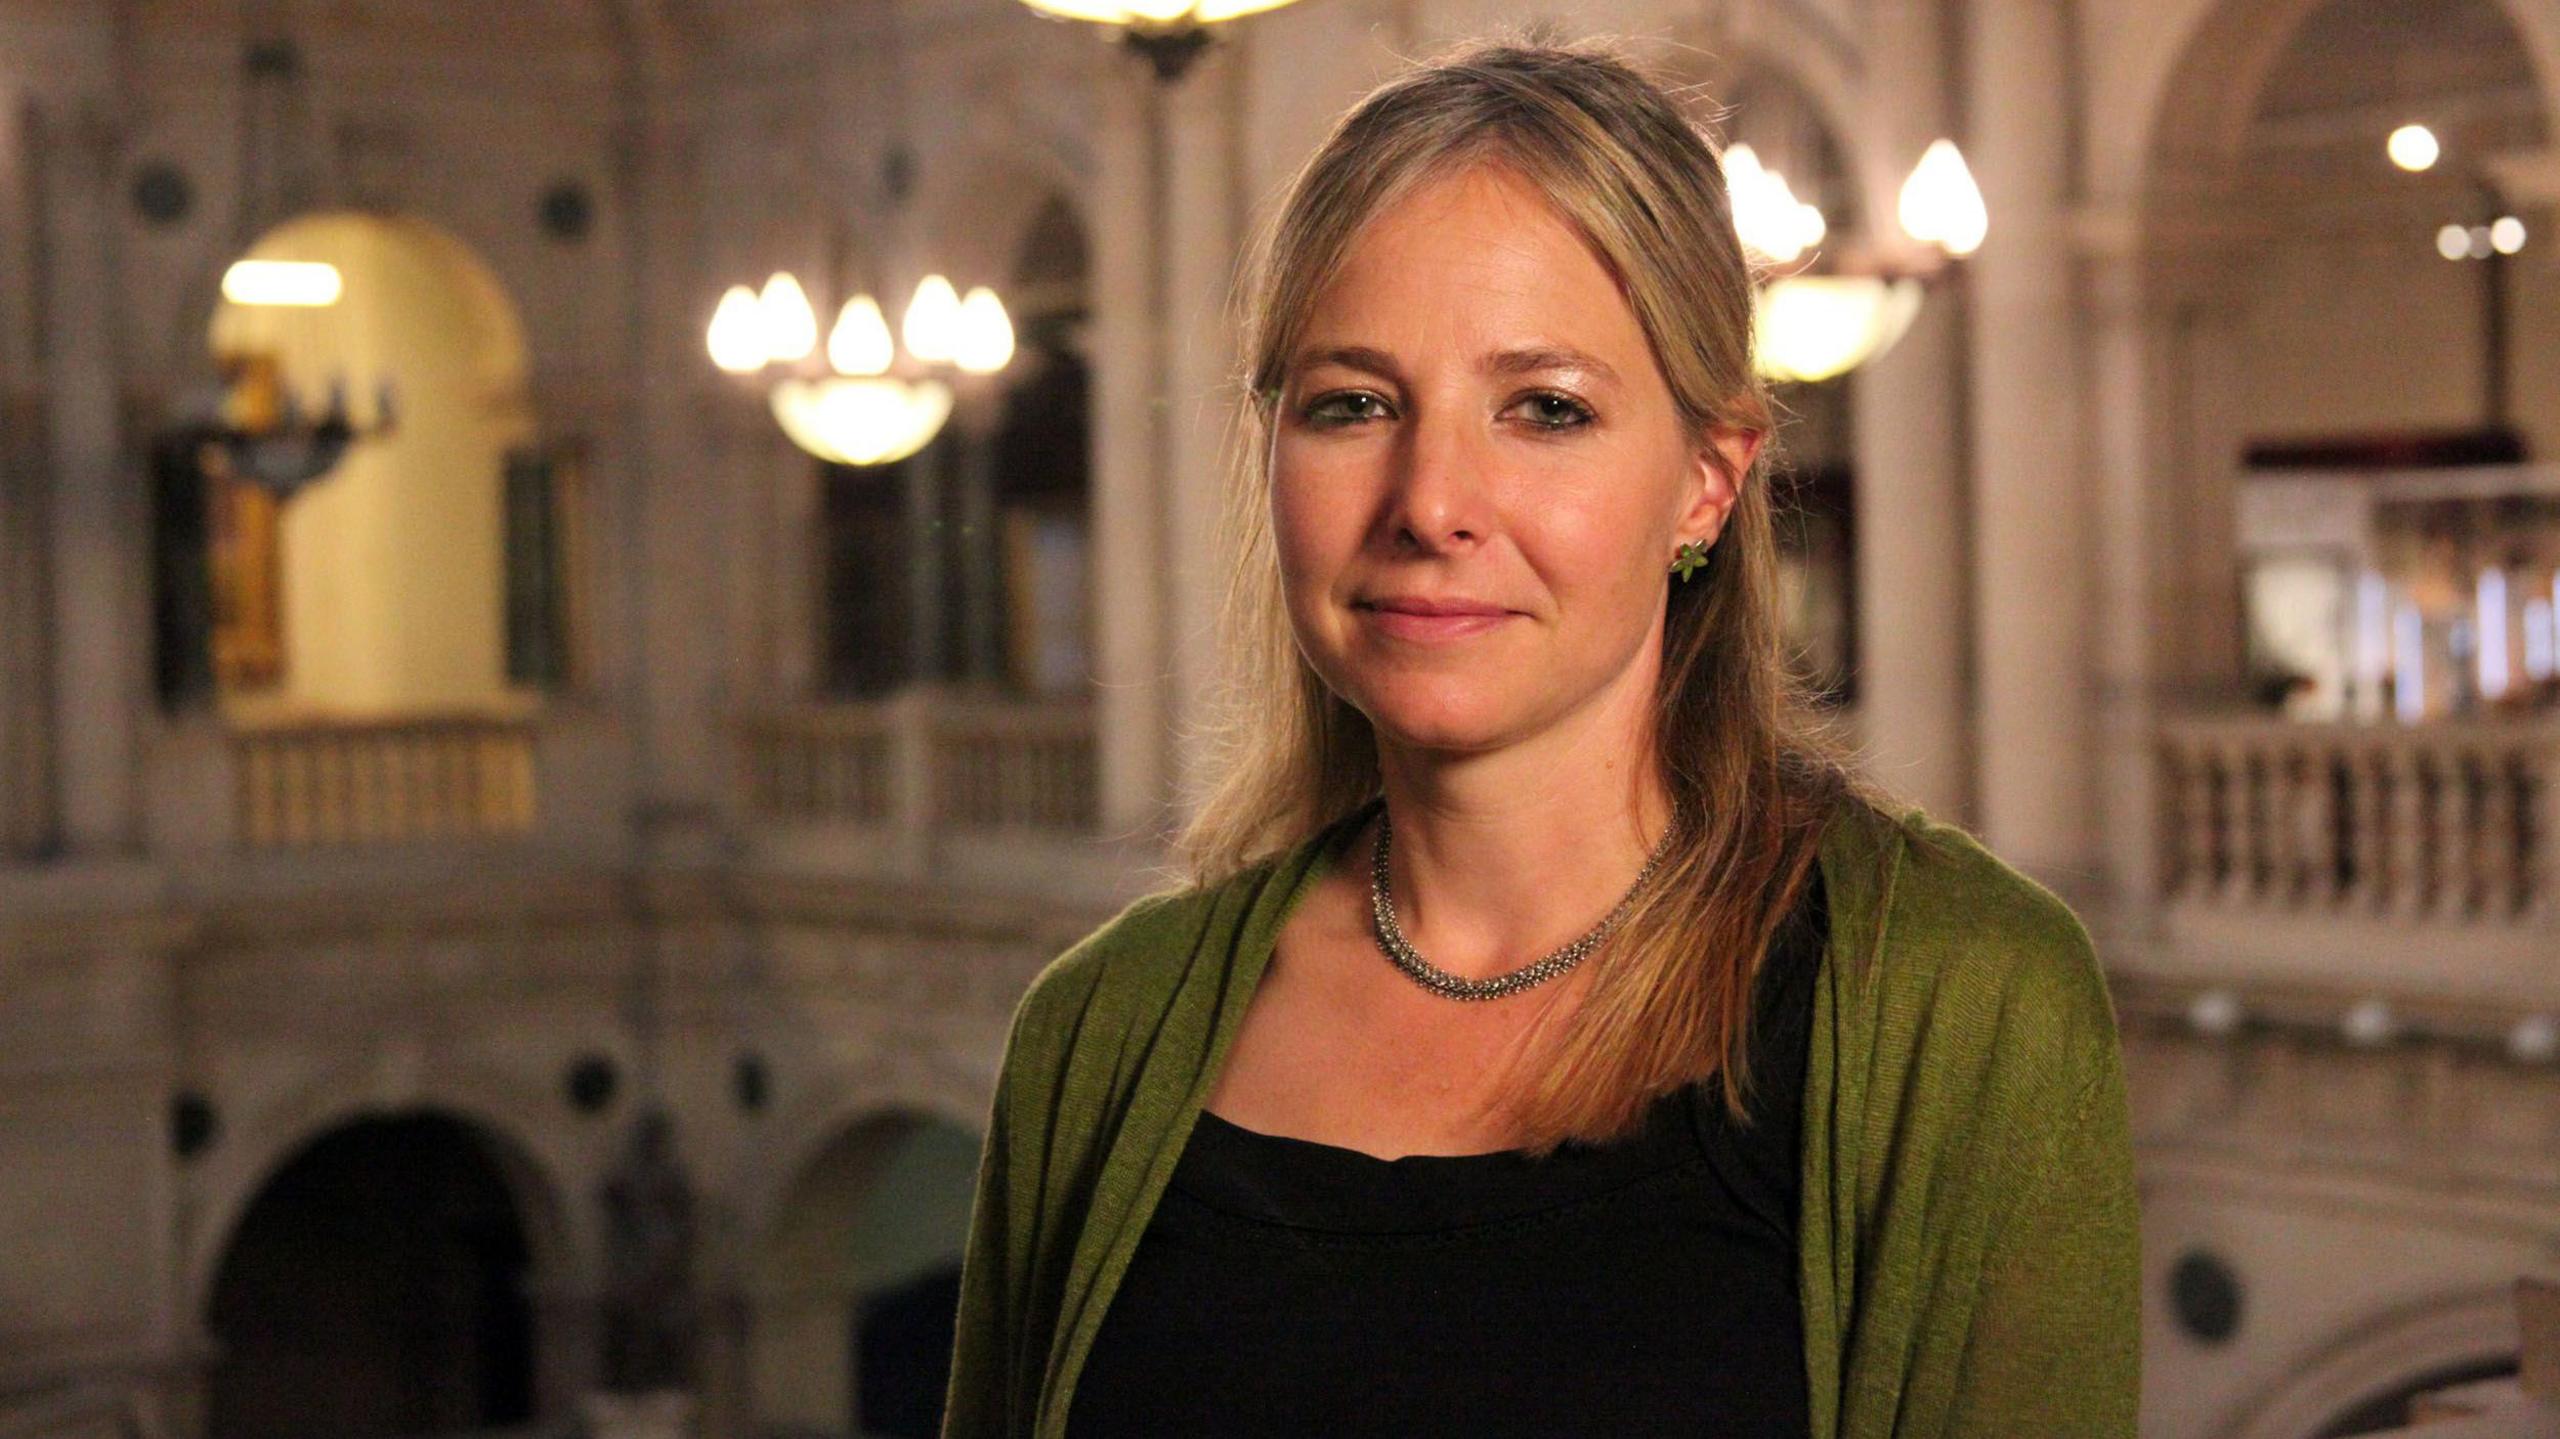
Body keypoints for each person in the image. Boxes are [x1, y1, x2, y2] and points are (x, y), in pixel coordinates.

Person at [941, 37, 2139, 1439]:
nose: (1432, 501)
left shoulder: (1964, 1001)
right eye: (1354, 405)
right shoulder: (1102, 1030)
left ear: (1705, 485)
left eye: (1546, 410)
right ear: (1270, 455)